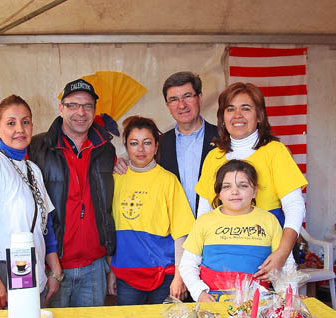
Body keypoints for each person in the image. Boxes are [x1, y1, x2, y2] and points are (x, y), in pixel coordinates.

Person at [195, 82, 307, 281]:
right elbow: (204, 211)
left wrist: (281, 253)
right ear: (222, 117)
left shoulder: (275, 151)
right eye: (230, 109)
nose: (237, 115)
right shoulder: (214, 157)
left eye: (245, 108)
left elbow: (295, 206)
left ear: (259, 115)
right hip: (222, 255)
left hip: (268, 252)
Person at [0, 94, 62, 310]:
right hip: (2, 272)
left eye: (25, 122)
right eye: (11, 123)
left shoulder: (32, 169)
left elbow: (45, 224)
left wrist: (54, 269)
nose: (20, 129)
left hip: (31, 269)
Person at [28, 78, 116, 308]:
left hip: (95, 266)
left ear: (95, 111)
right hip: (53, 265)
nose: (81, 112)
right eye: (73, 105)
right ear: (61, 108)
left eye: (87, 106)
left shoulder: (107, 149)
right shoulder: (37, 147)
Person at [108, 116, 194, 305]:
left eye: (147, 143)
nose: (140, 149)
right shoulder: (115, 179)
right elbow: (109, 231)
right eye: (134, 143)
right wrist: (111, 272)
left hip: (164, 275)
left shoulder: (168, 180)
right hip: (126, 275)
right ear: (126, 146)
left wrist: (180, 277)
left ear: (156, 146)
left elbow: (181, 234)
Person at [114, 71, 217, 218]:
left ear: (200, 98)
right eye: (174, 99)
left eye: (187, 96)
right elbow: (141, 171)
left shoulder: (223, 140)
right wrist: (120, 164)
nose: (182, 105)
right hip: (171, 234)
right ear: (167, 105)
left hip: (215, 232)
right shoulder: (157, 145)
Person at [180, 160, 283, 302]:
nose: (235, 192)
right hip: (212, 302)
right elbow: (188, 264)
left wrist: (287, 301)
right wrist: (200, 294)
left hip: (257, 304)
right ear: (219, 194)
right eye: (227, 186)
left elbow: (285, 265)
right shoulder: (204, 221)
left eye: (243, 186)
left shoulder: (269, 221)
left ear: (254, 191)